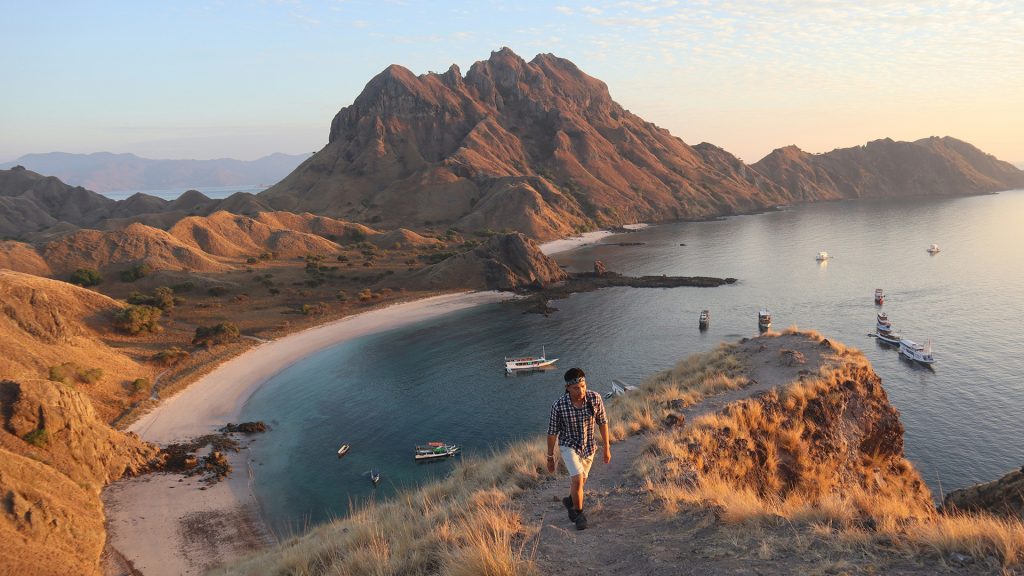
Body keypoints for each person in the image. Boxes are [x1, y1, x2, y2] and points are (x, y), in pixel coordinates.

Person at [546, 367, 611, 530]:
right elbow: (552, 433)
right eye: (576, 388)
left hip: (589, 446)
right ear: (567, 387)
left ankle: (569, 500)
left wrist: (607, 447)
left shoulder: (595, 398)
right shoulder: (559, 406)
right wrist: (550, 457)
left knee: (581, 481)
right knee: (576, 478)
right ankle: (578, 513)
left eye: (583, 386)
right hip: (569, 445)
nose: (581, 390)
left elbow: (603, 422)